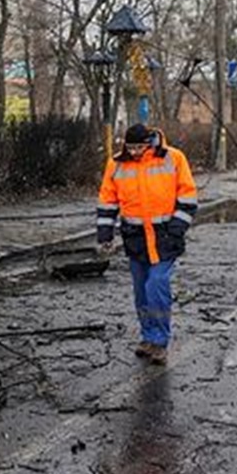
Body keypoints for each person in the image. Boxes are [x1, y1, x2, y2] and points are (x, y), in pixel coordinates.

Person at [96, 123, 198, 365]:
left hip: (165, 238)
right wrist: (105, 235)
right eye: (130, 147)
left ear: (150, 142)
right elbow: (107, 201)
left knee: (156, 286)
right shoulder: (117, 163)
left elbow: (188, 198)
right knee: (141, 292)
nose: (135, 152)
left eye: (139, 147)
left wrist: (176, 231)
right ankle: (148, 336)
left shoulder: (173, 158)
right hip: (136, 238)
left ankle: (160, 341)